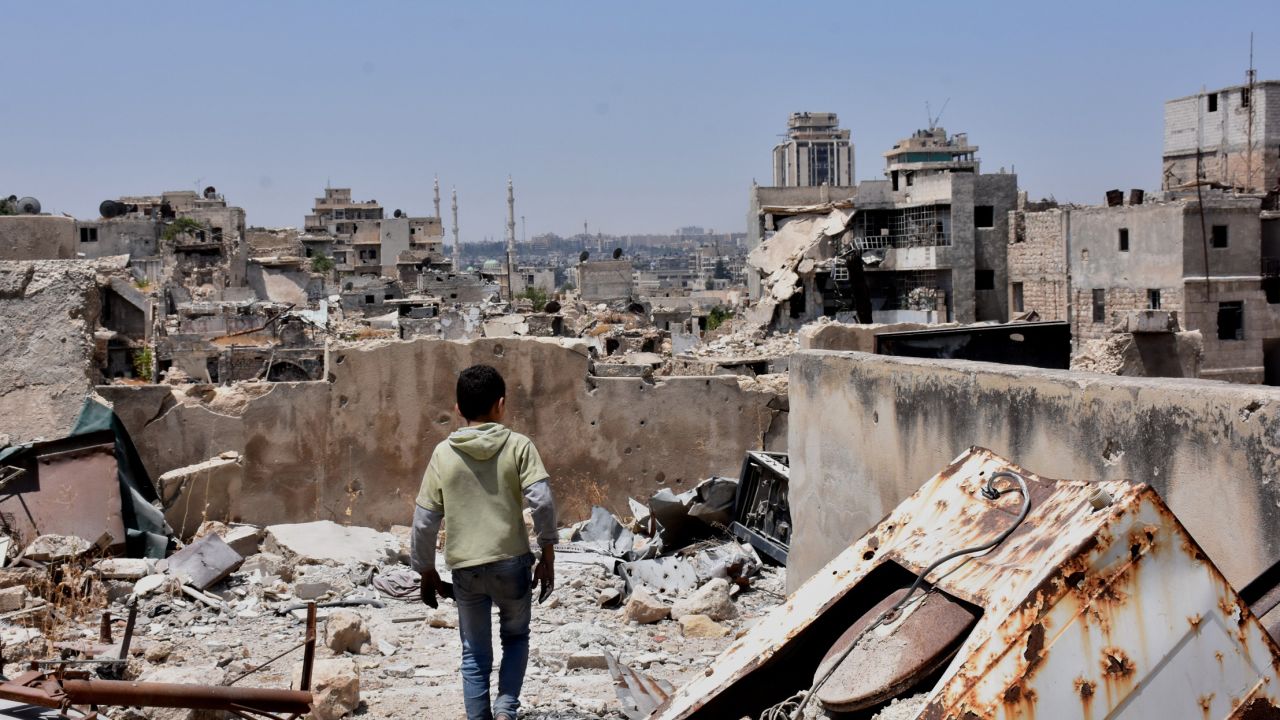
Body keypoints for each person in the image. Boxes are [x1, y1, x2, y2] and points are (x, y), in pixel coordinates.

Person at [411, 364, 557, 720]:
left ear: (458, 409)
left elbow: (425, 519)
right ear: (501, 404)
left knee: (474, 654)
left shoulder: (443, 454)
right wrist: (548, 552)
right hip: (512, 564)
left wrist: (426, 569)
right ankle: (506, 709)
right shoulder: (519, 446)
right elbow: (542, 500)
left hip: (466, 570)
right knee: (516, 638)